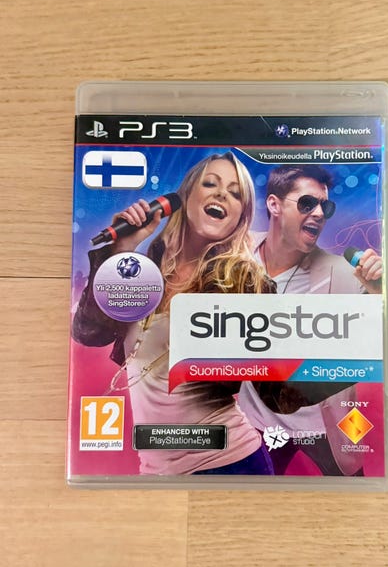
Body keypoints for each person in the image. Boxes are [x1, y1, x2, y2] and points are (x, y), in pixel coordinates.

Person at [73, 152, 275, 476]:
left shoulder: (244, 281)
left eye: (235, 193)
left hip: (230, 462)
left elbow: (256, 382)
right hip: (155, 469)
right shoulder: (143, 270)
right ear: (184, 197)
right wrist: (121, 251)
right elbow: (88, 333)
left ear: (241, 216)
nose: (221, 194)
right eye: (210, 183)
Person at [237, 164, 383, 476]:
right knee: (242, 494)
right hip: (258, 420)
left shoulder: (341, 272)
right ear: (274, 204)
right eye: (306, 203)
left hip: (324, 423)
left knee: (355, 493)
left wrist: (378, 292)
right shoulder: (239, 252)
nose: (318, 213)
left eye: (325, 206)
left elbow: (377, 338)